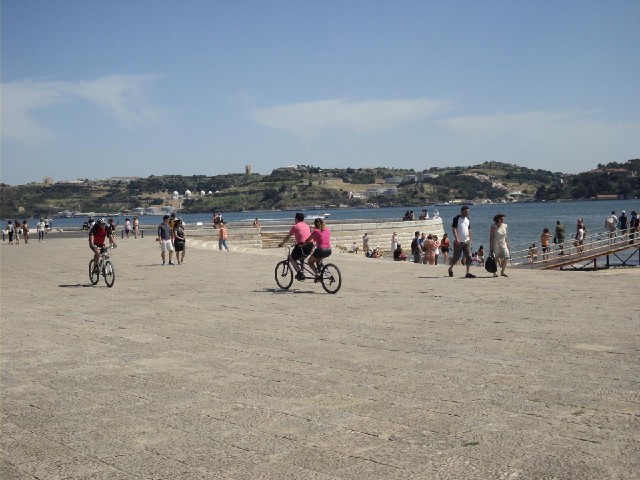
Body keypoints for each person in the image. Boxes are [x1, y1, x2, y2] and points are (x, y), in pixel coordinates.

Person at [279, 213, 312, 281]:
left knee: (291, 257)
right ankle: (301, 271)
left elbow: (288, 237)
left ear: (296, 219)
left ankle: (300, 272)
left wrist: (281, 243)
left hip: (302, 246)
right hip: (310, 246)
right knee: (301, 256)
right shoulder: (307, 226)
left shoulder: (295, 226)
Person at [448, 206, 474, 278]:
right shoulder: (457, 219)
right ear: (462, 211)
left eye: (468, 212)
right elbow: (454, 229)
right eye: (466, 212)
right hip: (459, 242)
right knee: (456, 257)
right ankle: (450, 269)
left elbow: (469, 230)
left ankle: (467, 273)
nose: (467, 213)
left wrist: (470, 239)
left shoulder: (467, 219)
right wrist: (456, 238)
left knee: (469, 257)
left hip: (467, 241)